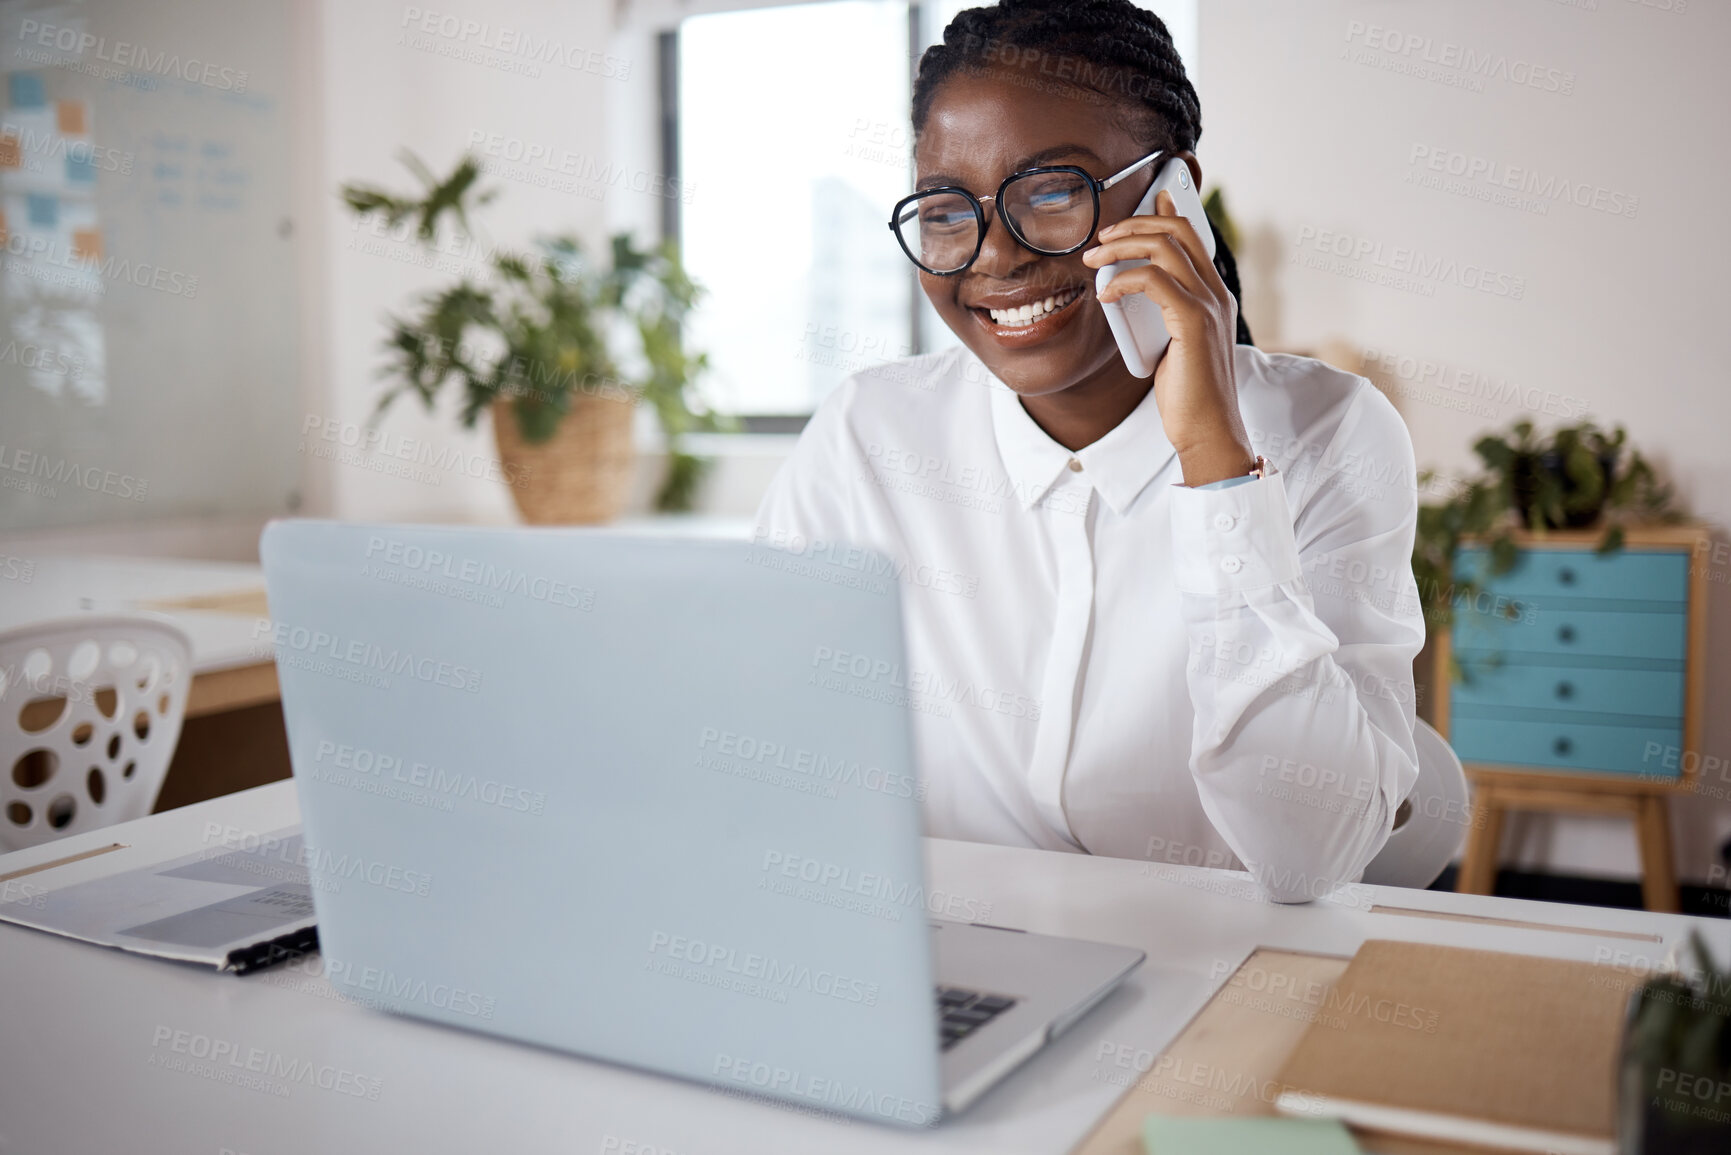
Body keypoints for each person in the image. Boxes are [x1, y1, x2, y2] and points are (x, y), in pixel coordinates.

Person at [753, 0, 1423, 902]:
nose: (992, 257)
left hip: (1223, 979)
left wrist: (1215, 459)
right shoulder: (869, 435)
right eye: (948, 211)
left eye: (1051, 193)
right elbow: (764, 750)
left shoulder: (1330, 432)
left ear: (1173, 195)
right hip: (949, 978)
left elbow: (1311, 854)